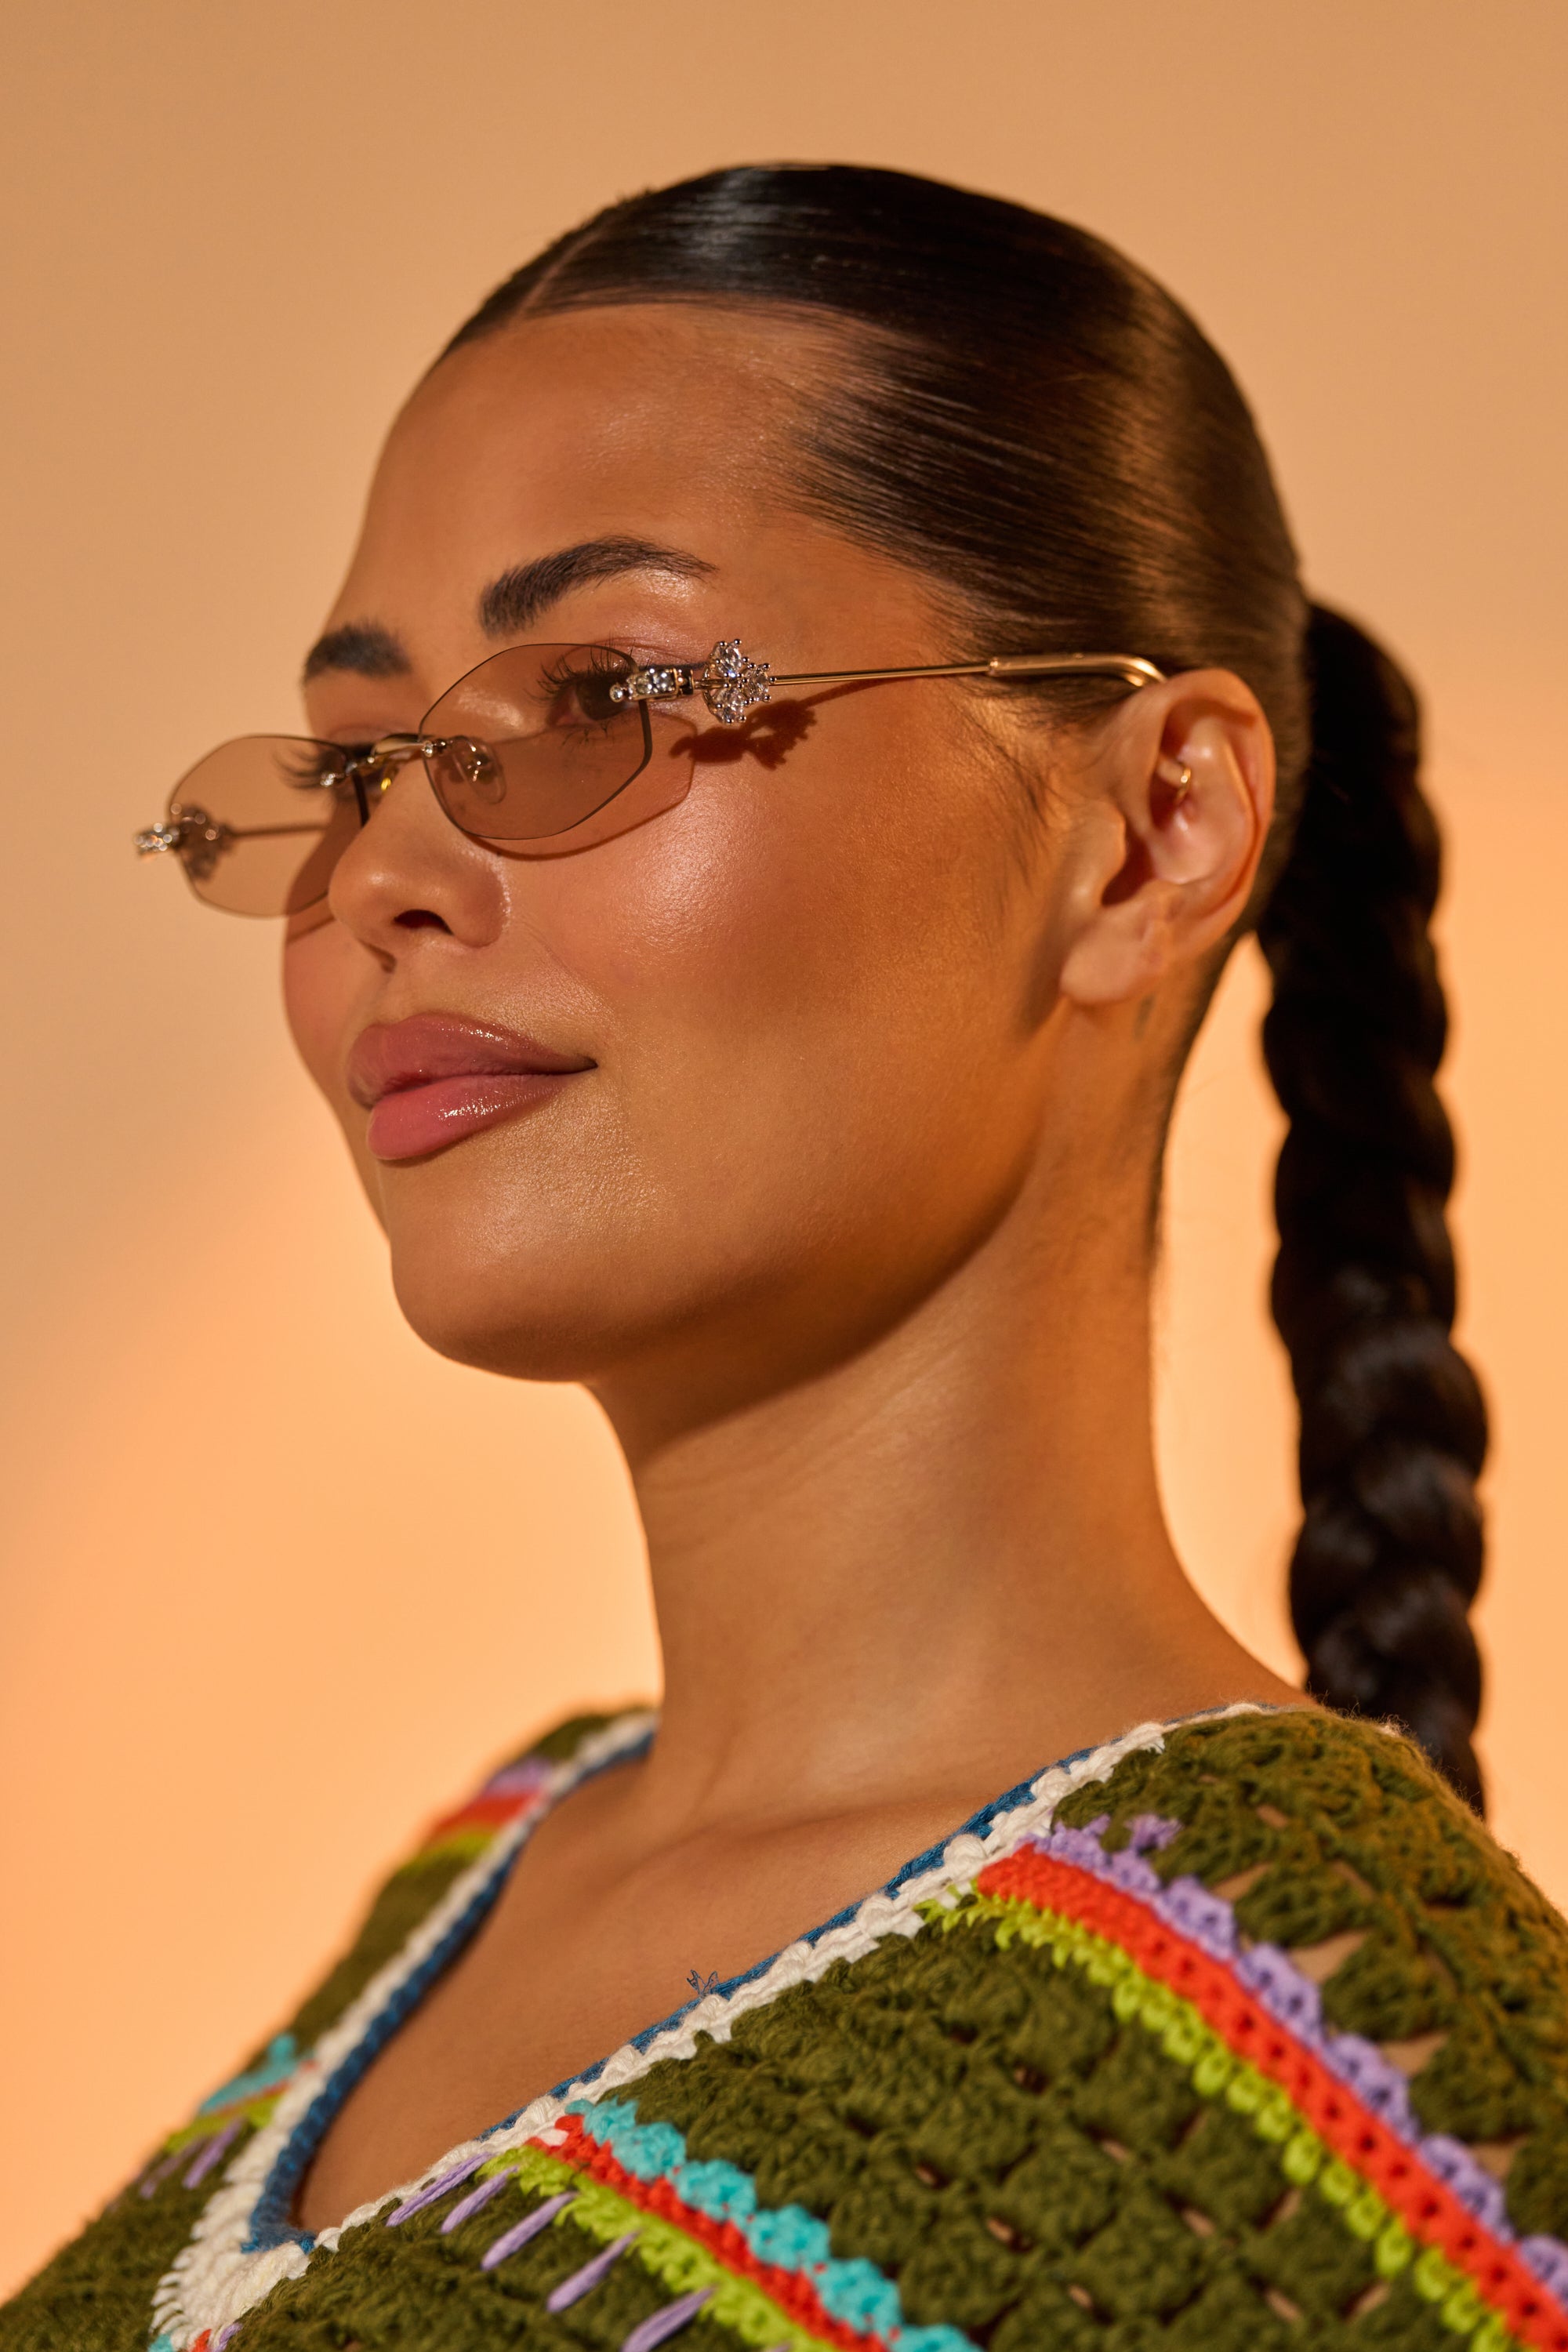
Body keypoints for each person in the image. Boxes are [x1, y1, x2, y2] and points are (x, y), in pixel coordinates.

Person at [6, 163, 1562, 2352]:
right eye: (361, 755)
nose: (386, 875)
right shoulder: (472, 1881)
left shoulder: (1382, 2090)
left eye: (605, 702)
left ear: (1150, 832)